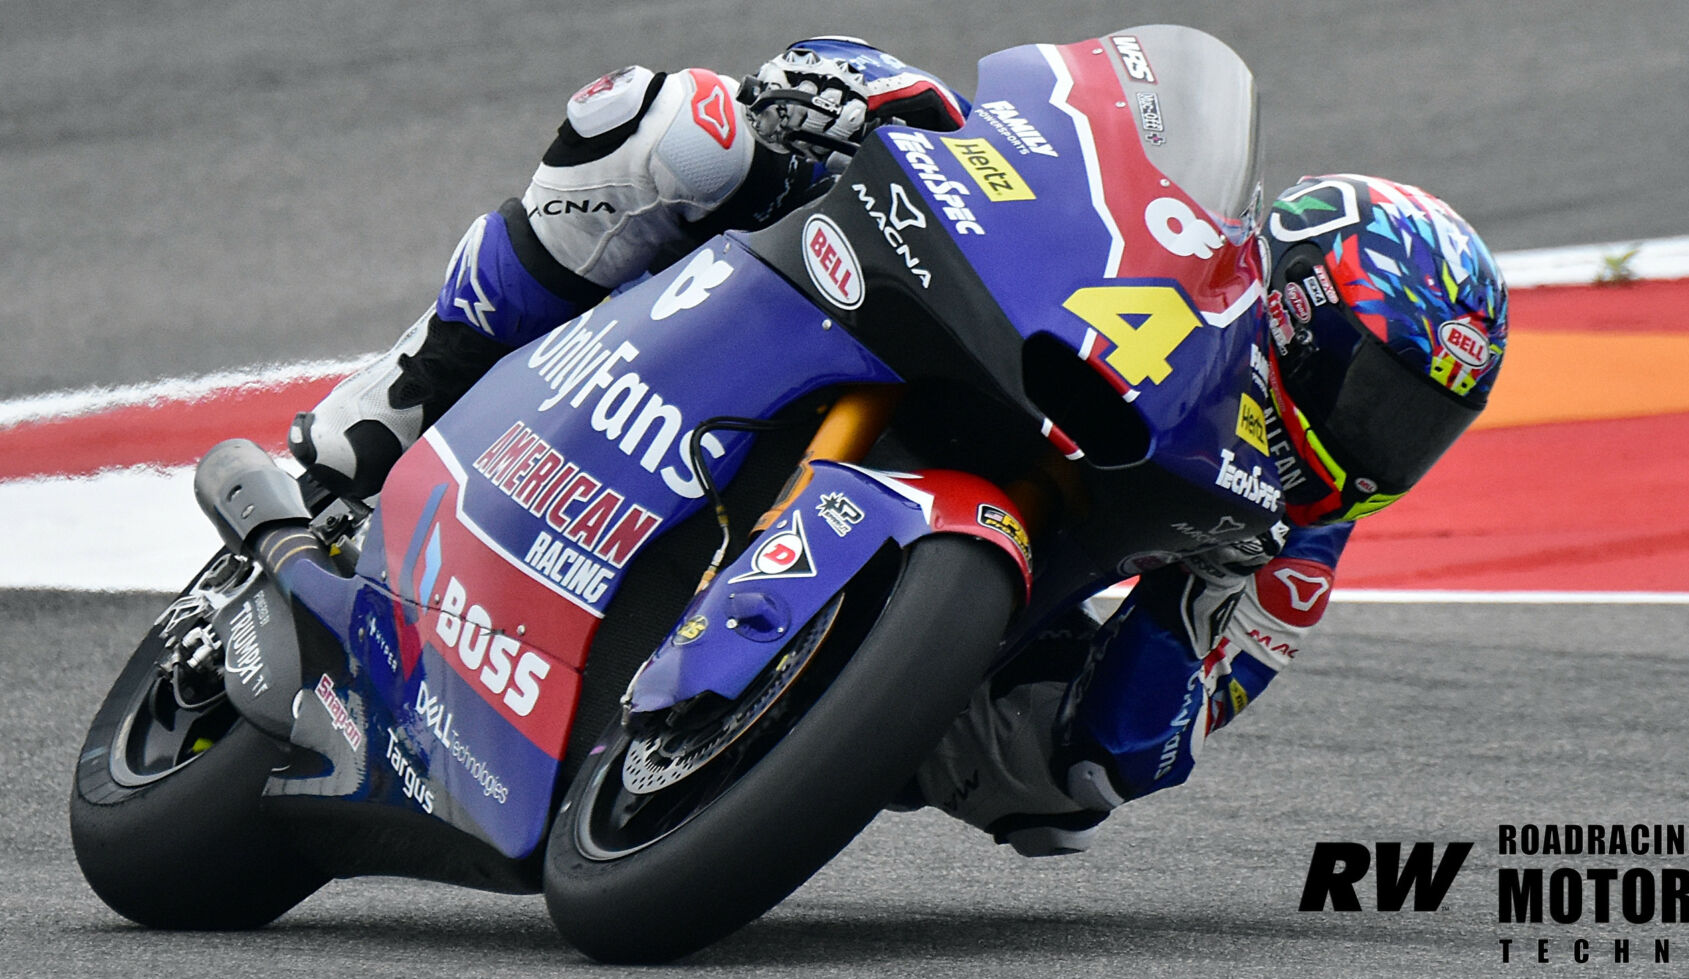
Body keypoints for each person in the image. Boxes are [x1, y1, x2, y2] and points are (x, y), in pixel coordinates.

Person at [289, 37, 1510, 857]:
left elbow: (1145, 741)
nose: (1386, 439)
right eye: (1382, 393)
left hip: (1012, 565)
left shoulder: (1299, 527)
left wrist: (1160, 665)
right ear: (1300, 311)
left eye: (1426, 427)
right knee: (681, 127)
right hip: (888, 316)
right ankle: (406, 394)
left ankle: (795, 718)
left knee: (1064, 787)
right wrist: (862, 99)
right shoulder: (1188, 251)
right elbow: (1033, 134)